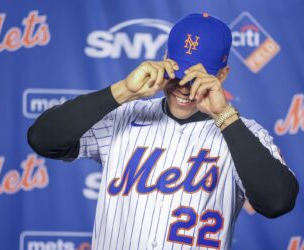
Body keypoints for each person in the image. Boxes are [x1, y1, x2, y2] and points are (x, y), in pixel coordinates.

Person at [28, 13, 298, 250]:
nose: (183, 86)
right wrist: (123, 91)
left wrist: (224, 116)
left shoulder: (244, 131)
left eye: (194, 78)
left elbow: (277, 202)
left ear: (222, 75)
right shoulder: (124, 115)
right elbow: (42, 139)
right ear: (166, 60)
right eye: (178, 73)